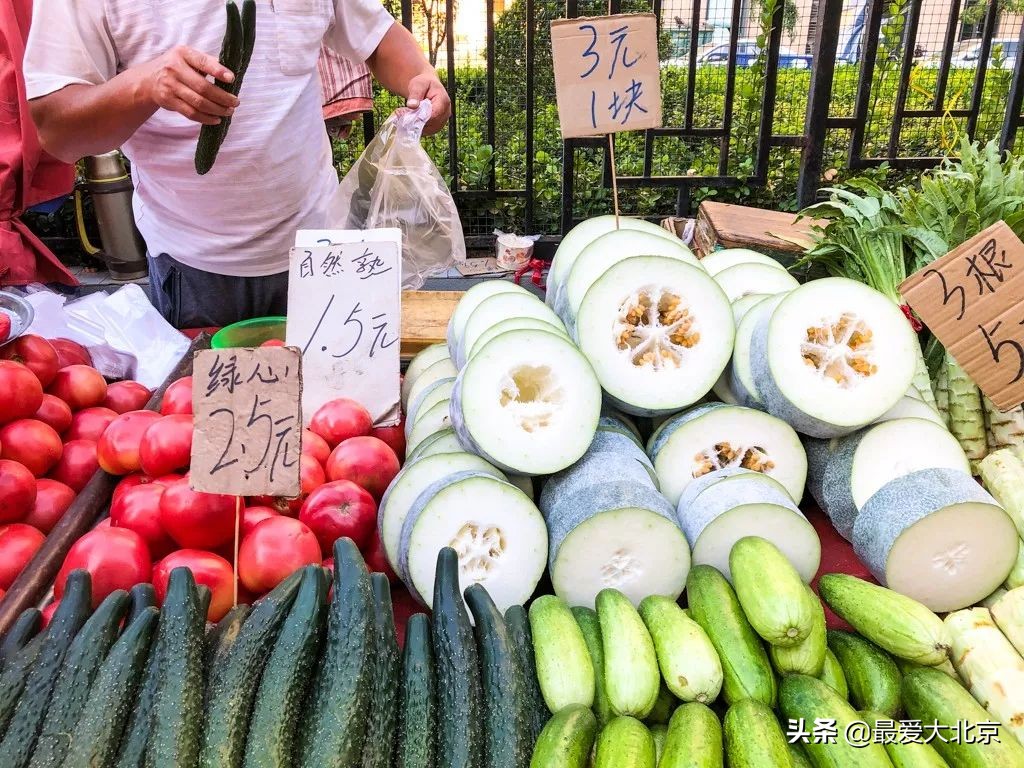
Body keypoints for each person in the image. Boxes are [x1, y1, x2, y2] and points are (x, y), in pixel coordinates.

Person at [23, 0, 451, 328]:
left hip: (319, 249)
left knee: (325, 425)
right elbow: (57, 130)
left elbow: (377, 37)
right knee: (211, 435)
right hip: (191, 266)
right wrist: (145, 85)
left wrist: (420, 77)